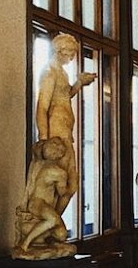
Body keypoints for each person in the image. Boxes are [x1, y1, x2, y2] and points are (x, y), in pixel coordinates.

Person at [35, 33, 95, 218]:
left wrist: (79, 83)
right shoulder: (49, 72)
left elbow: (65, 95)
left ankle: (52, 226)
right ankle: (49, 226)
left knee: (70, 185)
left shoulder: (61, 72)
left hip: (65, 134)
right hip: (56, 137)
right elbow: (42, 107)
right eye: (71, 53)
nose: (72, 57)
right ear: (60, 50)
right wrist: (44, 139)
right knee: (63, 184)